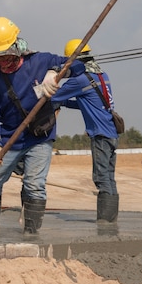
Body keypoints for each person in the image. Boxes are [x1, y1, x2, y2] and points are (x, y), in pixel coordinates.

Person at [0, 17, 85, 234]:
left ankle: (31, 236)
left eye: (6, 57)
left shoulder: (41, 61)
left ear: (16, 47)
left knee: (35, 186)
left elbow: (79, 65)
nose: (1, 63)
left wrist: (56, 71)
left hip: (40, 137)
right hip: (9, 139)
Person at [51, 39, 119, 223]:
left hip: (100, 134)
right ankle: (111, 220)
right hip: (112, 132)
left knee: (101, 177)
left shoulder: (79, 80)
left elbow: (51, 96)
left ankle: (104, 222)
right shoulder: (102, 76)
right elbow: (88, 103)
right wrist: (65, 102)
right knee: (109, 178)